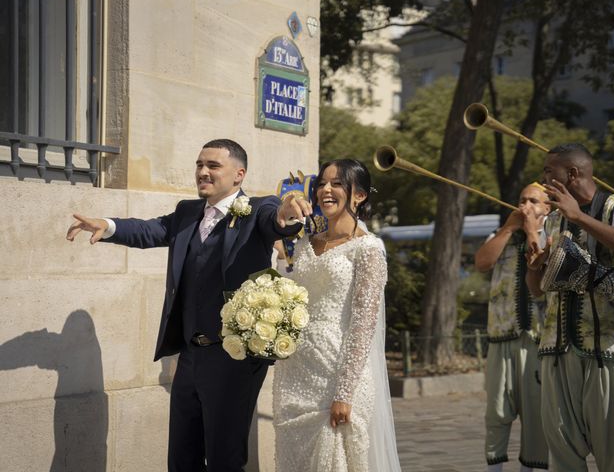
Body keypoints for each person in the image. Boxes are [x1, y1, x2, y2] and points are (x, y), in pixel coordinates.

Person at [66, 139, 304, 472]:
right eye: (199, 165)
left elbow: (278, 220)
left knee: (224, 459)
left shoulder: (257, 209)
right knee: (182, 457)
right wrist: (109, 226)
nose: (203, 172)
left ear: (239, 174)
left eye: (213, 166)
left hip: (233, 359)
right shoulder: (187, 213)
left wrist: (287, 212)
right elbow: (151, 230)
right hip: (190, 357)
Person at [272, 159, 401, 472]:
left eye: (337, 183)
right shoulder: (304, 244)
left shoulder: (368, 249)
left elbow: (363, 326)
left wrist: (344, 394)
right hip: (294, 377)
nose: (325, 190)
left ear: (358, 195)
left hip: (337, 378)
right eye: (322, 184)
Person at [526, 143, 614, 472]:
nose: (545, 177)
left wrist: (579, 217)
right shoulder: (554, 220)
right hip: (557, 351)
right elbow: (538, 290)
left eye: (550, 171)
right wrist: (534, 266)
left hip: (610, 350)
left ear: (572, 174)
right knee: (562, 454)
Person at [474, 183, 550, 472]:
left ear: (547, 208)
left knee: (536, 414)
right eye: (522, 200)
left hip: (538, 340)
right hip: (500, 335)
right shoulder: (503, 233)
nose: (525, 206)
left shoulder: (554, 234)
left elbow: (545, 271)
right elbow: (482, 262)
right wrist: (508, 229)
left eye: (533, 201)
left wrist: (532, 231)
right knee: (496, 411)